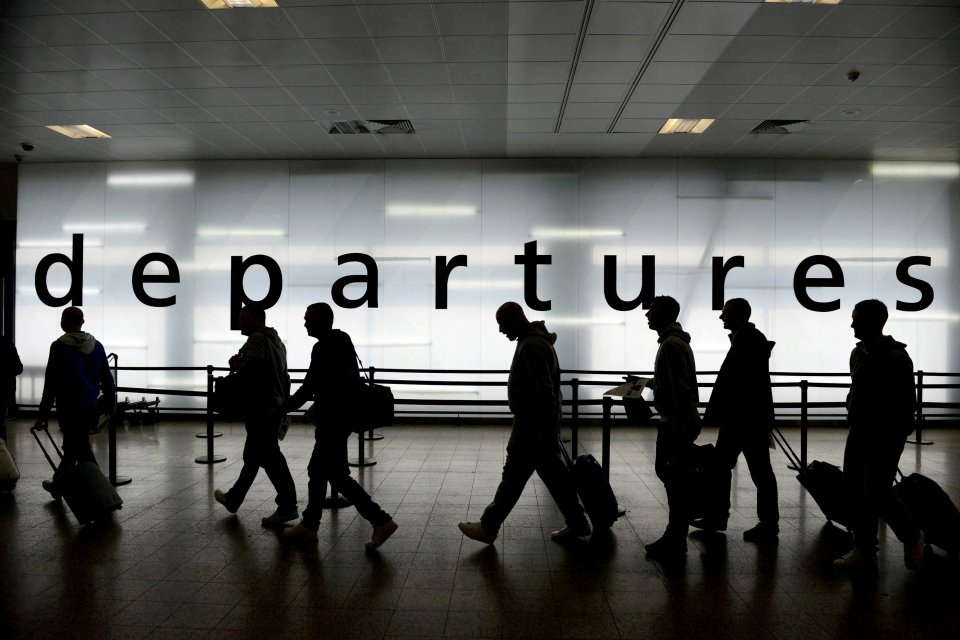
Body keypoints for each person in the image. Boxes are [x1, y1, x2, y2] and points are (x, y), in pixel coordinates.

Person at [459, 302, 590, 545]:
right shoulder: (537, 342)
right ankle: (577, 521)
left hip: (532, 426)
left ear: (516, 318)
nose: (501, 331)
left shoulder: (531, 346)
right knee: (553, 477)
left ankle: (489, 526)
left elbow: (542, 391)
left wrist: (540, 428)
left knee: (514, 477)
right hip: (539, 425)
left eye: (502, 324)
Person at [275, 302, 398, 550]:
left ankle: (379, 520)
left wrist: (282, 407)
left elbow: (310, 385)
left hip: (331, 419)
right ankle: (311, 525)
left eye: (309, 319)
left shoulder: (322, 347)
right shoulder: (343, 340)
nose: (305, 323)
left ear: (321, 321)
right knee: (327, 473)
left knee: (330, 474)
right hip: (342, 419)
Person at [834, 299, 924, 571]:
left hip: (882, 435)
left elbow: (906, 404)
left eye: (857, 319)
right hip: (861, 430)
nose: (852, 324)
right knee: (858, 490)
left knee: (877, 493)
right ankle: (865, 548)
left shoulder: (895, 358)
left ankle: (909, 536)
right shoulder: (861, 353)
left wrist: (893, 435)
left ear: (875, 322)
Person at [699, 298, 780, 542]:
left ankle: (721, 517)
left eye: (726, 313)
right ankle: (762, 522)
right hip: (747, 418)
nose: (721, 317)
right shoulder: (751, 339)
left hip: (742, 419)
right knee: (751, 470)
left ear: (740, 315)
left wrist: (717, 411)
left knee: (736, 468)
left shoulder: (746, 341)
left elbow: (736, 382)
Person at [213, 307, 298, 528]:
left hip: (261, 409)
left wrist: (235, 365)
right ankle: (234, 498)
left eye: (244, 319)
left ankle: (287, 506)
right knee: (253, 456)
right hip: (275, 406)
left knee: (270, 458)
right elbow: (281, 375)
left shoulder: (255, 341)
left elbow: (252, 371)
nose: (240, 323)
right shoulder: (277, 342)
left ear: (258, 320)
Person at [34, 307, 114, 496]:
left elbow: (51, 383)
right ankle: (57, 486)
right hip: (90, 407)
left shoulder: (59, 347)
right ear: (82, 322)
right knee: (74, 447)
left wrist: (42, 414)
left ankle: (104, 493)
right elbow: (107, 379)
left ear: (63, 321)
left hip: (68, 408)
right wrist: (110, 404)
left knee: (80, 448)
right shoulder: (97, 346)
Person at [644, 295, 700, 559]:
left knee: (673, 478)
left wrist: (679, 426)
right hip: (678, 422)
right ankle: (676, 534)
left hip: (674, 424)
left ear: (665, 315)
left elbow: (680, 388)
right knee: (675, 478)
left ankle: (675, 536)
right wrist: (647, 384)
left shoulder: (670, 346)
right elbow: (676, 385)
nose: (647, 315)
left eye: (652, 311)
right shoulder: (677, 343)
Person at [1, 336, 23, 443]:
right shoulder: (7, 343)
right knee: (1, 427)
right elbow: (18, 368)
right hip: (3, 390)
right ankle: (3, 456)